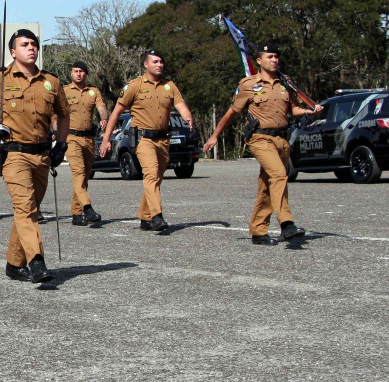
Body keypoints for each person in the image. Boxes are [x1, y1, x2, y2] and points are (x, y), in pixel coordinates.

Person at [0, 29, 69, 283]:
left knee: (27, 211)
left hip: (42, 155)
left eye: (34, 44)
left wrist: (61, 144)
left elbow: (64, 114)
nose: (31, 48)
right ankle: (37, 261)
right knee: (26, 208)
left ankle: (14, 263)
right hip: (14, 155)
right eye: (24, 44)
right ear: (12, 51)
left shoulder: (50, 82)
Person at [203, 43, 322, 244]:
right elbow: (232, 112)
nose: (274, 60)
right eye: (269, 56)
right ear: (259, 60)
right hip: (259, 138)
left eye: (276, 56)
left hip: (282, 139)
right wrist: (215, 135)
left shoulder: (285, 83)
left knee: (268, 185)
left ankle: (258, 231)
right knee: (279, 175)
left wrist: (309, 111)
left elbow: (294, 110)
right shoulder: (248, 84)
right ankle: (287, 224)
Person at [100, 50, 194, 231]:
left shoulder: (169, 86)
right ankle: (157, 216)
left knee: (156, 178)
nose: (159, 65)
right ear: (145, 64)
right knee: (151, 175)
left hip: (163, 140)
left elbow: (180, 105)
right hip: (144, 139)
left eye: (161, 61)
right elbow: (116, 113)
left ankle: (145, 217)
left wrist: (187, 117)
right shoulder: (134, 86)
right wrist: (106, 139)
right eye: (155, 61)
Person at [64, 61, 108, 226]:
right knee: (79, 173)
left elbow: (102, 107)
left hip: (88, 139)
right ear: (71, 73)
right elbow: (57, 114)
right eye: (75, 71)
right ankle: (87, 208)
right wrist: (56, 131)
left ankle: (76, 213)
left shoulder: (93, 91)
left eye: (81, 71)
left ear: (86, 74)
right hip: (71, 137)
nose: (78, 74)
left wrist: (104, 119)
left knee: (84, 177)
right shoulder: (65, 91)